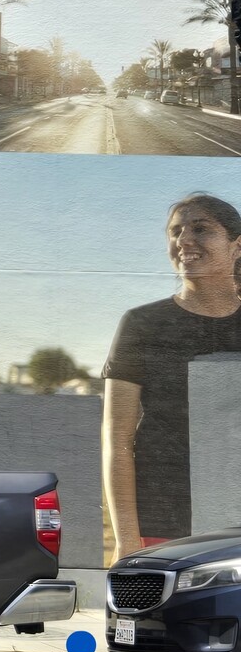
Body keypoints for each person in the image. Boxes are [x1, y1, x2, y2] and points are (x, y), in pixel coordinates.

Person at [101, 192, 241, 559]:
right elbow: (117, 441)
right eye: (175, 231)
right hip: (162, 530)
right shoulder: (142, 324)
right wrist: (127, 540)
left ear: (236, 246)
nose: (184, 241)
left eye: (201, 229)